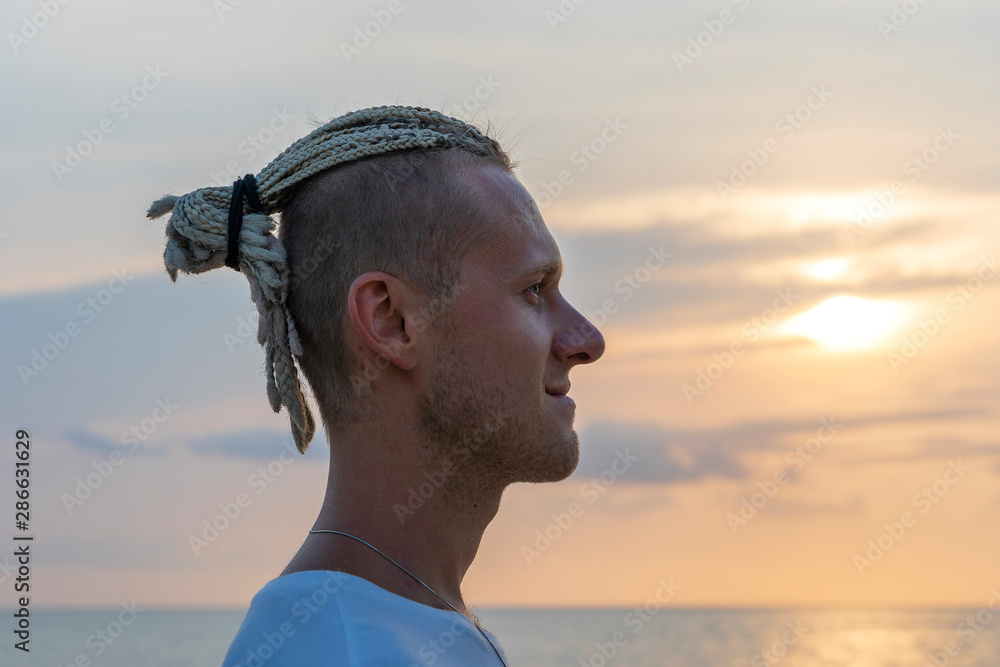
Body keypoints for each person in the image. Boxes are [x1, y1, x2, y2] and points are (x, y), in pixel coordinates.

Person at [147, 106, 605, 666]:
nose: (587, 339)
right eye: (534, 288)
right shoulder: (336, 647)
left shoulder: (388, 628)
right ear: (391, 320)